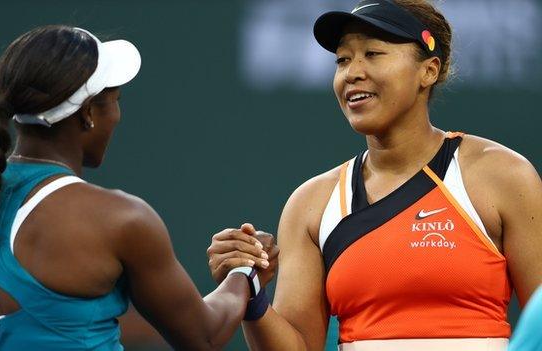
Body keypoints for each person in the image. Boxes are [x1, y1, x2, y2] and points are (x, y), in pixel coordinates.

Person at [207, 0, 542, 350]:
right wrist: (251, 293)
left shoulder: (502, 176)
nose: (352, 72)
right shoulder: (311, 204)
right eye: (343, 59)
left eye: (372, 54)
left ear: (428, 71)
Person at [0, 25, 273, 350]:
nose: (117, 115)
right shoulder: (122, 220)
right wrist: (245, 275)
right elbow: (205, 336)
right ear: (88, 113)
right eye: (114, 99)